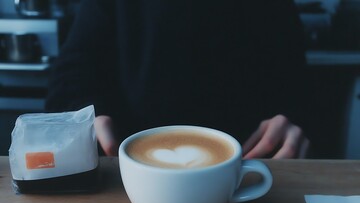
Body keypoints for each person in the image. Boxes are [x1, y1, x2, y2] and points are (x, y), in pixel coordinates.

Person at [46, 0, 312, 159]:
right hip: (128, 179)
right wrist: (88, 114)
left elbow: (296, 83)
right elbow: (70, 77)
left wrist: (293, 118)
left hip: (249, 170)